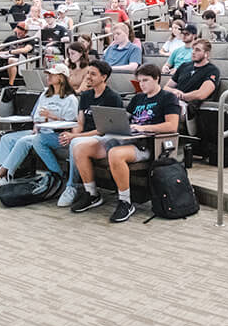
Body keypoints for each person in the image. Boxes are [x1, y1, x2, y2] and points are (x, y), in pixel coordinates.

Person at [69, 64, 180, 223]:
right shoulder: (138, 98)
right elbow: (124, 118)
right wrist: (114, 122)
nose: (142, 84)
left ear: (157, 79)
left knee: (115, 154)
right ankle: (92, 194)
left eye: (146, 80)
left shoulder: (168, 98)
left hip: (147, 143)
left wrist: (143, 127)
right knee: (81, 148)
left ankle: (125, 202)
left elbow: (171, 126)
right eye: (139, 81)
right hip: (126, 138)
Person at [0, 68, 78, 192]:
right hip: (39, 130)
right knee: (7, 138)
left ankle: (1, 175)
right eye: (48, 74)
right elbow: (37, 116)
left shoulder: (70, 99)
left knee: (24, 141)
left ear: (61, 77)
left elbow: (71, 122)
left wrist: (51, 116)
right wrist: (36, 124)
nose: (48, 77)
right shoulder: (45, 94)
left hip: (55, 134)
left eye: (51, 75)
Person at [54, 61, 126, 207]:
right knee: (67, 140)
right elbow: (80, 124)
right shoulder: (86, 96)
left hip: (103, 138)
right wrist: (69, 134)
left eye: (93, 74)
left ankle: (73, 185)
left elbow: (103, 129)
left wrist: (74, 137)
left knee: (75, 142)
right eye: (88, 73)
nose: (88, 77)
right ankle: (86, 190)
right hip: (85, 137)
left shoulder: (112, 98)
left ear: (104, 77)